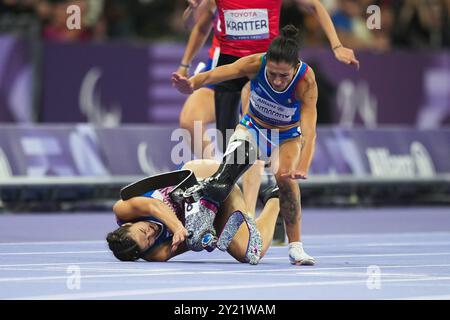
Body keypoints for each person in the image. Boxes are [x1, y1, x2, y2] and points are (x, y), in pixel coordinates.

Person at [175, 0, 358, 216]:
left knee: (250, 135)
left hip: (260, 71)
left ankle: (248, 214)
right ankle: (222, 178)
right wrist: (185, 61)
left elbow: (314, 5)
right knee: (192, 122)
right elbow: (193, 24)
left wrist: (336, 45)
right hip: (223, 67)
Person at [172, 25, 318, 265]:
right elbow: (215, 74)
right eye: (272, 74)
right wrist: (192, 83)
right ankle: (205, 220)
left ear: (295, 68)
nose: (278, 80)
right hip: (253, 128)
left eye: (284, 75)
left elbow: (310, 131)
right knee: (225, 176)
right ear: (266, 63)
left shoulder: (307, 81)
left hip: (287, 135)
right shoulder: (254, 64)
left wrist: (304, 165)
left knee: (286, 180)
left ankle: (296, 247)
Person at [106, 159, 280, 263]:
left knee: (241, 213)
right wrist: (203, 239)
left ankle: (241, 159)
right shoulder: (158, 254)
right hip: (211, 209)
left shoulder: (122, 210)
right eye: (149, 241)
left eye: (144, 231)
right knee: (250, 252)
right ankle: (276, 197)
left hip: (201, 176)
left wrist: (178, 228)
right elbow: (191, 241)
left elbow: (154, 206)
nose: (152, 233)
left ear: (129, 224)